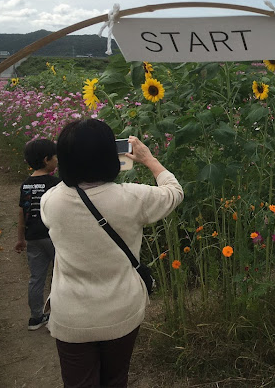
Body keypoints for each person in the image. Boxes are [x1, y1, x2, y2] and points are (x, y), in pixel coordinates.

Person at [40, 119, 183, 388]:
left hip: (72, 315)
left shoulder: (51, 201)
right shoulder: (133, 198)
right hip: (121, 311)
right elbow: (174, 192)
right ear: (111, 157)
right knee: (116, 379)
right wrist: (148, 159)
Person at [14, 138, 60, 331]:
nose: (57, 160)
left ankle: (36, 318)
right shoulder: (55, 183)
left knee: (36, 277)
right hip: (53, 236)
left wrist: (20, 239)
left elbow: (22, 213)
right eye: (55, 157)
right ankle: (59, 315)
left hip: (33, 237)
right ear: (46, 159)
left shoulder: (25, 185)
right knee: (60, 274)